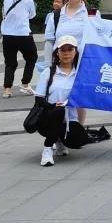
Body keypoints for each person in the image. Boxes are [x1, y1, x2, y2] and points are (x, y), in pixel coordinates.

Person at [45, 0, 98, 125]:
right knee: (59, 93)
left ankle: (78, 128)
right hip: (61, 62)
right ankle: (59, 127)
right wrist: (48, 65)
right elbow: (49, 40)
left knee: (80, 96)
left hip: (82, 62)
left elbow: (98, 38)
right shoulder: (56, 15)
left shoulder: (91, 13)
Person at [34, 34, 82, 167]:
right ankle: (47, 149)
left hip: (70, 119)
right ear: (57, 53)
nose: (66, 53)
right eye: (63, 50)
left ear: (76, 52)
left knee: (78, 140)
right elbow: (39, 99)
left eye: (70, 49)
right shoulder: (49, 72)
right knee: (59, 111)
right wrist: (53, 106)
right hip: (48, 117)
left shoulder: (80, 74)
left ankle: (59, 140)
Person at [0, 0, 38, 98]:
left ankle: (7, 89)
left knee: (10, 62)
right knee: (32, 58)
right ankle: (25, 84)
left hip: (7, 35)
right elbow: (32, 15)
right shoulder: (29, 1)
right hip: (23, 34)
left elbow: (4, 13)